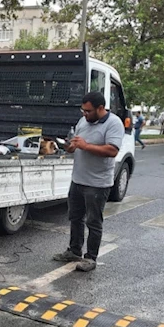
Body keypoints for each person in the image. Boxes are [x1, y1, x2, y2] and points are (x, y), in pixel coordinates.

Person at [53, 91, 125, 272]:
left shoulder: (114, 123)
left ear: (100, 108)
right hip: (78, 179)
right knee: (75, 218)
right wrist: (69, 146)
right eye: (83, 110)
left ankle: (91, 258)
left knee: (94, 221)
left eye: (88, 111)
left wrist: (86, 146)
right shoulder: (83, 122)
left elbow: (112, 151)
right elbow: (75, 146)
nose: (84, 114)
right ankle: (74, 250)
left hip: (98, 183)